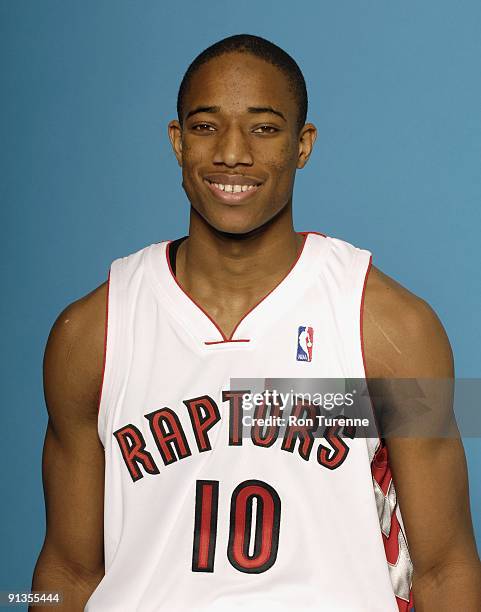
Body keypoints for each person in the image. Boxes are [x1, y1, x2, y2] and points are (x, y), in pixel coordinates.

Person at [30, 34, 481, 611]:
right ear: (176, 140)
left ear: (303, 144)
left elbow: (446, 568)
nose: (232, 154)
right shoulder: (91, 333)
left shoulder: (388, 327)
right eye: (205, 126)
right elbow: (65, 573)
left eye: (264, 128)